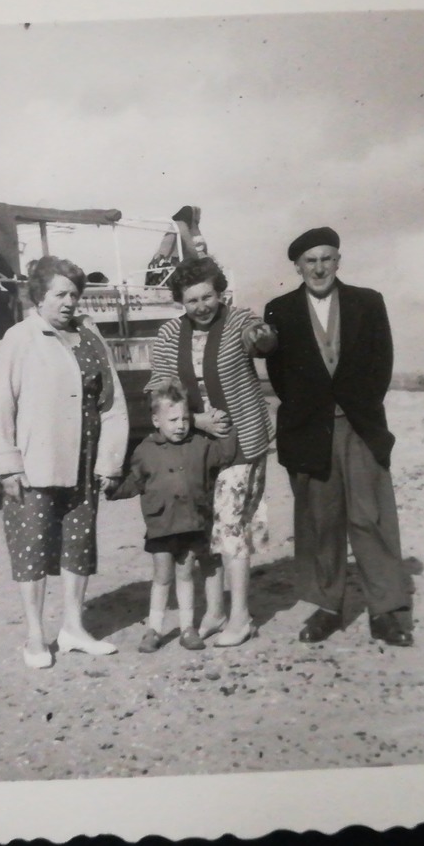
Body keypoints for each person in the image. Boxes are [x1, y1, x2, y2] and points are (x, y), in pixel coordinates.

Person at [263, 227, 415, 647]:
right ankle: (328, 607)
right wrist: (311, 411)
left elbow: (381, 364)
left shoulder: (368, 302)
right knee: (321, 522)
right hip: (310, 432)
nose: (319, 268)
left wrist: (356, 407)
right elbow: (280, 376)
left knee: (370, 517)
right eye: (310, 261)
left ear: (338, 261)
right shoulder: (279, 309)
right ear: (297, 266)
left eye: (327, 258)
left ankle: (385, 610)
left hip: (359, 427)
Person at [0, 255, 129, 669]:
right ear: (39, 297)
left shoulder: (90, 335)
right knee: (32, 548)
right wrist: (5, 465)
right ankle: (34, 636)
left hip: (84, 461)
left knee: (78, 545)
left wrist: (109, 462)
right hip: (35, 464)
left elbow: (112, 403)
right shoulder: (20, 338)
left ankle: (73, 628)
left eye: (74, 294)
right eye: (60, 294)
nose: (69, 302)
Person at [146, 255, 277, 647]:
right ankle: (216, 612)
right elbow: (160, 388)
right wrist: (197, 420)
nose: (201, 307)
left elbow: (262, 339)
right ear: (180, 303)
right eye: (192, 301)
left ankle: (240, 618)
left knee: (232, 526)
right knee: (206, 528)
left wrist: (262, 337)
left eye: (207, 297)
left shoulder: (238, 320)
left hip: (243, 442)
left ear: (220, 293)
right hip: (196, 444)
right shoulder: (170, 334)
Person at [110, 379, 240, 653]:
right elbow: (134, 482)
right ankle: (154, 629)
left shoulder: (200, 445)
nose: (180, 425)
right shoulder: (145, 451)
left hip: (192, 522)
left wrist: (227, 424)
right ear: (156, 420)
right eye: (172, 420)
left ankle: (187, 628)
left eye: (184, 418)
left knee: (185, 574)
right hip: (161, 524)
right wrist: (112, 488)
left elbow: (225, 455)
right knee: (162, 576)